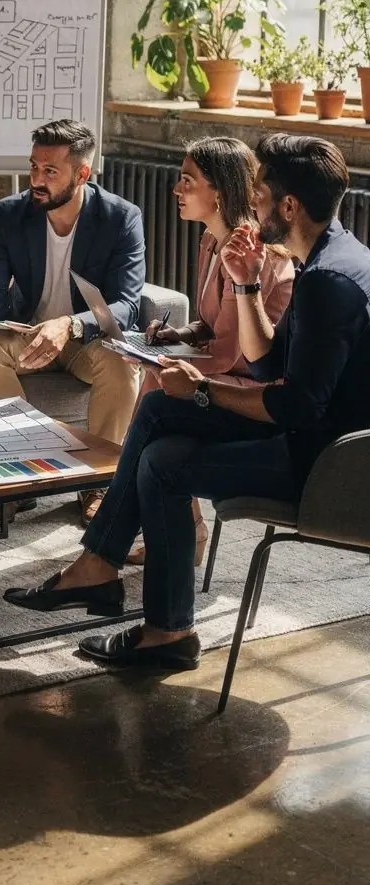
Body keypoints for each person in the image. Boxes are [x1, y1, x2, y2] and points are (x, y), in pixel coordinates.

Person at [5, 134, 370, 673]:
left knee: (163, 463)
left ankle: (161, 626)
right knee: (156, 413)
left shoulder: (327, 282)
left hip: (326, 467)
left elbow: (295, 407)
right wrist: (245, 287)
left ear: (289, 206)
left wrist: (200, 389)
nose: (254, 203)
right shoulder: (332, 257)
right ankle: (104, 571)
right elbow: (270, 365)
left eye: (262, 193)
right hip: (313, 440)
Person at [0, 119, 145, 524]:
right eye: (34, 166)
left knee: (122, 364)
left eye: (50, 171)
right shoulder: (10, 213)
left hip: (84, 339)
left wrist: (71, 325)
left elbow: (126, 305)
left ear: (82, 174)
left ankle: (100, 482)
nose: (37, 179)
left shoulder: (120, 218)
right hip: (28, 335)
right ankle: (17, 479)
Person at [128, 137, 294, 567]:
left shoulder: (249, 251)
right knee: (158, 380)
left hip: (257, 383)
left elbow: (229, 354)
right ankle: (180, 526)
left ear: (218, 191)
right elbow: (209, 324)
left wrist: (159, 363)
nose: (176, 190)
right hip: (228, 366)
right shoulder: (210, 240)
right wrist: (171, 336)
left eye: (187, 181)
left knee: (158, 385)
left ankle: (165, 524)